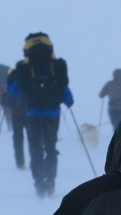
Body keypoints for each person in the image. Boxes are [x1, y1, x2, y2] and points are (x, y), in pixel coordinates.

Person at [9, 32, 73, 197]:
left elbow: (14, 91)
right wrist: (68, 101)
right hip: (53, 114)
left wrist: (10, 81)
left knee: (36, 149)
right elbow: (65, 88)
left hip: (33, 114)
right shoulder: (55, 66)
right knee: (51, 148)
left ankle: (39, 184)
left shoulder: (25, 67)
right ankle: (51, 182)